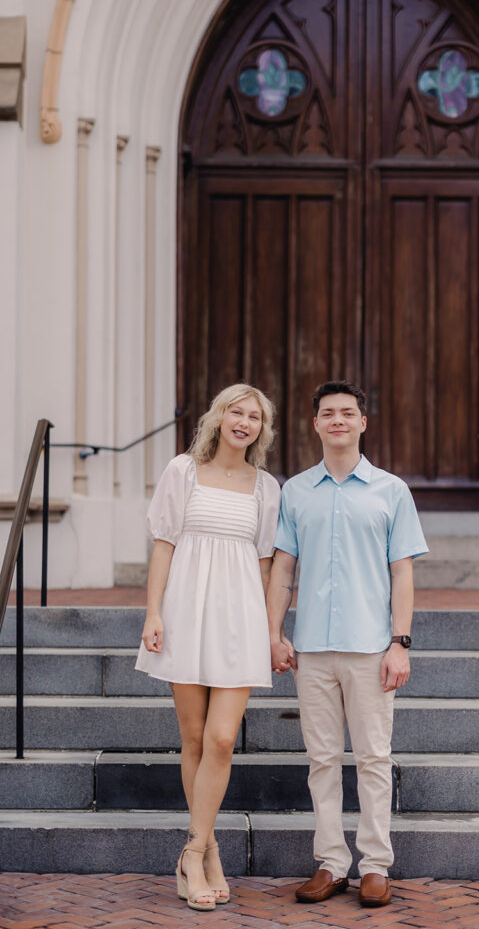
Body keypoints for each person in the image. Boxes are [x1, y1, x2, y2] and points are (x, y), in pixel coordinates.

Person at [267, 380, 428, 908]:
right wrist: (275, 632)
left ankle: (375, 866)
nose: (338, 420)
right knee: (322, 760)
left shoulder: (391, 490)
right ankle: (331, 863)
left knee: (374, 759)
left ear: (363, 423)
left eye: (348, 412)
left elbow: (401, 573)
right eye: (328, 413)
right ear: (315, 424)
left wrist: (400, 642)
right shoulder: (295, 491)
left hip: (370, 648)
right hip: (312, 649)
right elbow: (284, 569)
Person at [136, 384, 280, 912]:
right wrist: (153, 612)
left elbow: (267, 563)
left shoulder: (266, 486)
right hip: (185, 614)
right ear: (219, 418)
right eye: (236, 412)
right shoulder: (183, 471)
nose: (245, 422)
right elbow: (164, 543)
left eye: (255, 417)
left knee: (222, 740)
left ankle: (192, 849)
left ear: (263, 429)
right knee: (194, 737)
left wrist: (271, 630)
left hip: (239, 619)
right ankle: (207, 852)